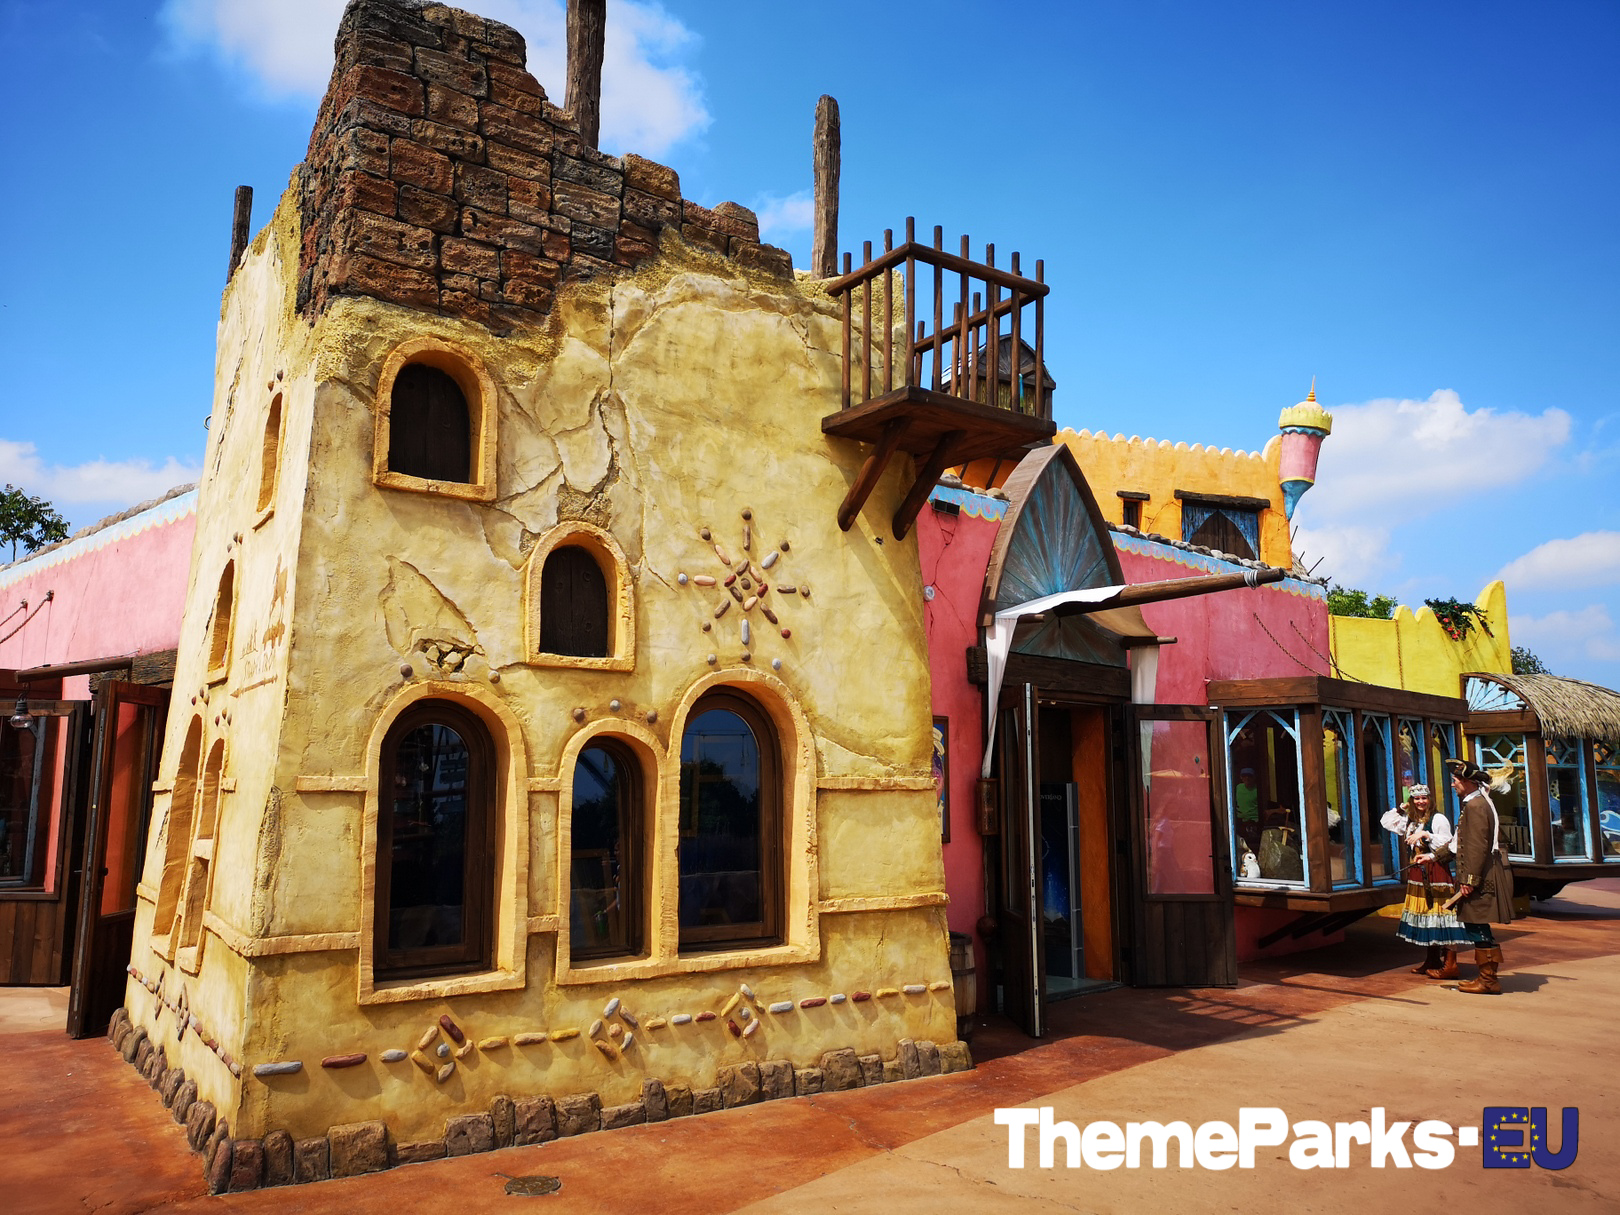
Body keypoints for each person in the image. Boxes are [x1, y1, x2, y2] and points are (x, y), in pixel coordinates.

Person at [1417, 759, 1516, 995]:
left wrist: (1469, 880)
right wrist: (1433, 857)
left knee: (1477, 926)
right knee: (1476, 925)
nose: (1453, 785)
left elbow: (1477, 846)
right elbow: (1458, 842)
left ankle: (1488, 980)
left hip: (1480, 877)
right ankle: (1487, 978)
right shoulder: (1475, 803)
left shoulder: (1476, 805)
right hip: (1478, 875)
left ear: (1468, 782)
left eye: (1455, 780)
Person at [1380, 784, 1471, 978]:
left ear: (1430, 799)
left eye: (1424, 798)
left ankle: (1451, 964)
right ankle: (1432, 959)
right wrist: (1401, 808)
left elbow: (1448, 844)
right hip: (1418, 873)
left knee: (1442, 916)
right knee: (1428, 917)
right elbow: (1386, 822)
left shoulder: (1438, 819)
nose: (1420, 802)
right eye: (1416, 799)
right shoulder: (1411, 820)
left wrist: (1426, 834)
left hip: (1435, 872)